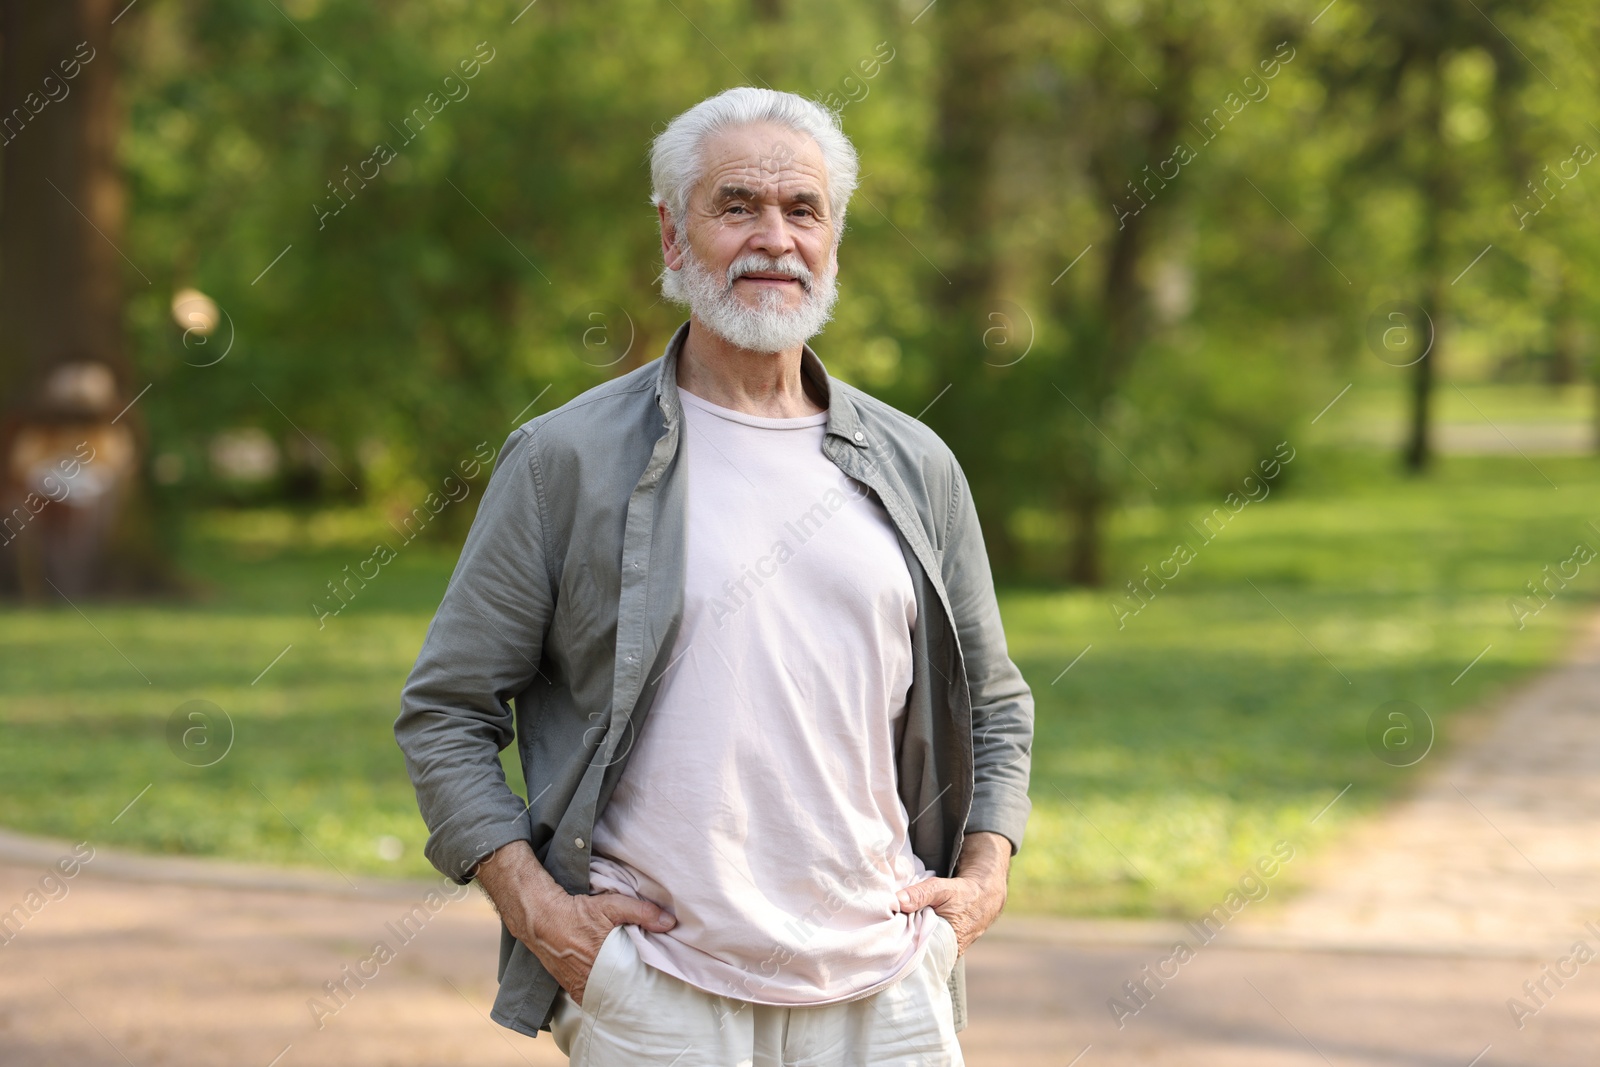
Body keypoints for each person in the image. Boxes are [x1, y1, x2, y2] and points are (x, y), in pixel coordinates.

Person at [396, 86, 1034, 1065]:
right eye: (736, 205)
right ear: (671, 233)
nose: (772, 237)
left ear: (833, 239)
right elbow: (446, 708)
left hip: (891, 982)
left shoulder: (916, 464)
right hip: (658, 990)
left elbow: (993, 699)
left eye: (802, 209)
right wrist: (542, 916)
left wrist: (981, 879)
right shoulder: (564, 459)